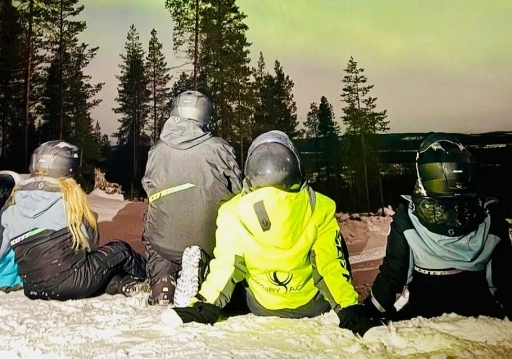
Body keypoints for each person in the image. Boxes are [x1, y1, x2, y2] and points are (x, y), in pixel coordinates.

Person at [163, 130, 384, 337]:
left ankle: (201, 284)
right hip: (312, 304)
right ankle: (345, 302)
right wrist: (351, 311)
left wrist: (203, 309)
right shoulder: (320, 207)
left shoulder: (233, 211)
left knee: (230, 266)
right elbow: (330, 266)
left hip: (261, 305)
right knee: (333, 248)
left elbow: (227, 266)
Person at [0, 140, 147, 301]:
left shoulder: (13, 203)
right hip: (71, 282)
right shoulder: (69, 198)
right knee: (120, 250)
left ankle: (124, 284)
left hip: (33, 288)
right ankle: (153, 276)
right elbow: (91, 244)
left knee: (89, 273)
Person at [364, 132, 512, 321]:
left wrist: (369, 312)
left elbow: (393, 276)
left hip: (425, 315)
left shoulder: (408, 218)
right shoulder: (492, 219)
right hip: (482, 315)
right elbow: (505, 281)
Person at [141, 90, 243, 306]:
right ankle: (202, 270)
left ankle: (162, 280)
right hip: (210, 242)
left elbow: (149, 189)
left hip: (165, 242)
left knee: (152, 223)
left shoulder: (157, 150)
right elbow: (239, 191)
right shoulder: (219, 148)